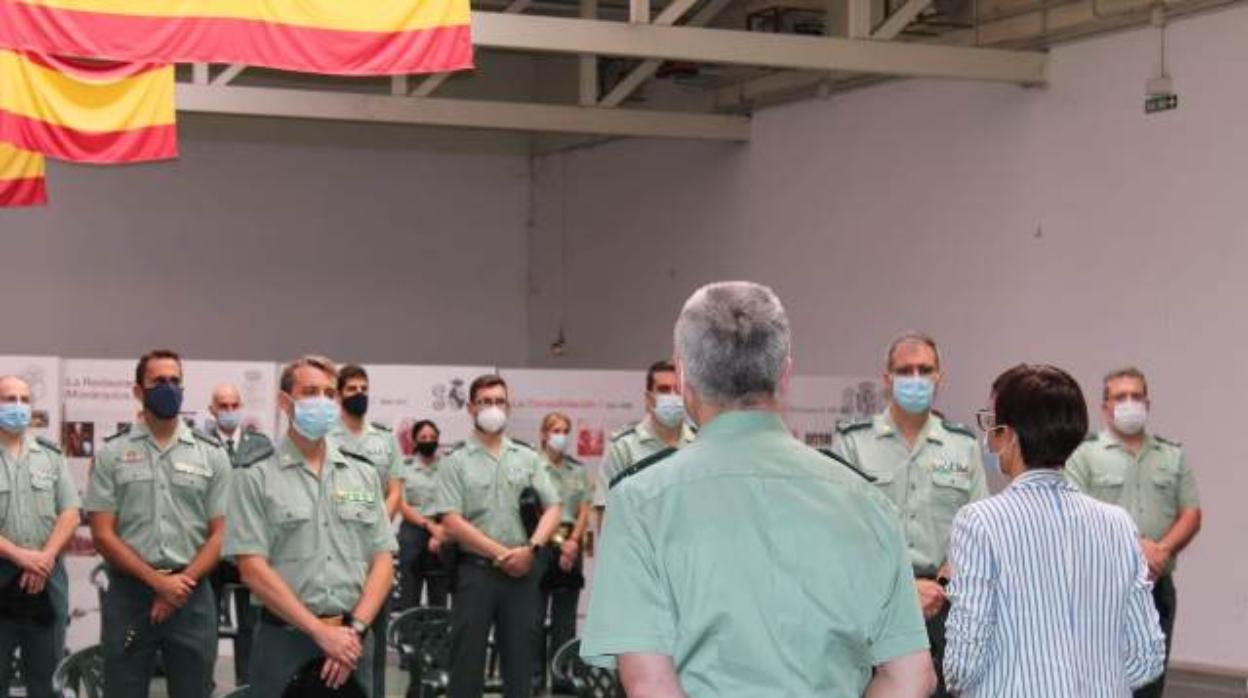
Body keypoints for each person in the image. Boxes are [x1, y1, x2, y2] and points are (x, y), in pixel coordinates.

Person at [581, 281, 934, 698]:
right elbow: (911, 678)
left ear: (682, 374)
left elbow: (648, 684)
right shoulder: (866, 501)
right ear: (785, 372)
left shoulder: (640, 502)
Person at [944, 364, 1166, 696]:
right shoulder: (1117, 524)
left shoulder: (979, 522)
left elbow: (965, 661)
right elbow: (1146, 657)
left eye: (993, 424)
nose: (989, 436)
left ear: (1012, 435)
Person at [226, 355, 396, 697]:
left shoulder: (362, 472)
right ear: (285, 402)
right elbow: (252, 568)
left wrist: (354, 630)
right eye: (310, 392)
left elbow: (383, 559)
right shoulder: (256, 475)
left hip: (352, 644)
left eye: (329, 393)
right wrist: (319, 631)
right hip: (285, 643)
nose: (322, 401)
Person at [830, 331, 987, 697]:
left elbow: (981, 527)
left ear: (939, 377)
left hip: (948, 605)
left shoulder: (962, 444)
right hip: (877, 604)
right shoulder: (853, 442)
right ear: (887, 379)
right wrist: (903, 589)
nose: (915, 378)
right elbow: (840, 535)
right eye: (905, 370)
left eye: (924, 369)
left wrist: (952, 577)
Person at [84, 349, 230, 698]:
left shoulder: (211, 454)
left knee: (194, 691)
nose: (169, 388)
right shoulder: (111, 454)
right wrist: (156, 582)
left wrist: (180, 584)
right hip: (130, 595)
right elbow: (102, 534)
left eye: (175, 381)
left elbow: (222, 534)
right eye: (158, 381)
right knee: (123, 690)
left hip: (191, 596)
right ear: (139, 391)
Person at [1066, 366, 1202, 698]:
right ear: (1104, 407)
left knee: (1149, 686)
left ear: (1148, 403)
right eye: (1120, 397)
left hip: (1156, 588)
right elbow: (1073, 515)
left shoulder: (1172, 455)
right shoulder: (1084, 454)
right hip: (1099, 590)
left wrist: (1161, 551)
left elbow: (1191, 513)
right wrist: (1134, 549)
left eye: (1136, 396)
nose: (1129, 403)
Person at [432, 374, 563, 698]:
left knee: (521, 665)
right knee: (466, 664)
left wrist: (531, 548)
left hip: (522, 572)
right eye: (486, 402)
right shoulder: (455, 461)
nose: (494, 408)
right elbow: (451, 519)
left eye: (500, 401)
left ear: (508, 406)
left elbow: (554, 509)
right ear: (471, 407)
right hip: (475, 574)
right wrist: (499, 554)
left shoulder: (527, 456)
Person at [0, 375, 80, 698]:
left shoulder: (50, 455)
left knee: (47, 683)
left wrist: (43, 558)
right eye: (8, 399)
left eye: (23, 400)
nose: (17, 407)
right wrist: (21, 557)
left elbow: (71, 512)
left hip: (46, 581)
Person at [205, 383, 273, 686]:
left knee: (251, 625)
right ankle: (201, 685)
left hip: (248, 546)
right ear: (212, 409)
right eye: (223, 406)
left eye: (234, 405)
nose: (229, 411)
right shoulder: (199, 445)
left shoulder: (261, 446)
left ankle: (247, 688)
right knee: (204, 624)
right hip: (209, 548)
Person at [531, 412, 590, 693]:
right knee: (534, 615)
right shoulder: (532, 465)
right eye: (555, 429)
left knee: (565, 621)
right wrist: (557, 541)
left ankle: (562, 680)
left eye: (566, 429)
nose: (561, 435)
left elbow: (584, 509)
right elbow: (533, 509)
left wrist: (574, 541)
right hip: (542, 544)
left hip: (571, 545)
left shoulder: (577, 469)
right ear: (543, 433)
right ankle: (533, 679)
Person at [592, 361, 696, 512]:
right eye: (664, 390)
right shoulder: (623, 447)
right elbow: (606, 512)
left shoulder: (699, 443)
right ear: (648, 398)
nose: (673, 396)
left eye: (678, 390)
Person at [329, 364, 403, 517]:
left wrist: (379, 527)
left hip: (376, 530)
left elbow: (395, 493)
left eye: (364, 389)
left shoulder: (386, 439)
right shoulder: (323, 438)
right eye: (352, 389)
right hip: (333, 530)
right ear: (338, 395)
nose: (359, 393)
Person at [396, 419, 449, 610]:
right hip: (413, 532)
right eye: (423, 437)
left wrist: (440, 530)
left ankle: (438, 639)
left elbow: (453, 501)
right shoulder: (404, 466)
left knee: (439, 598)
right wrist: (429, 526)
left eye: (433, 437)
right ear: (415, 440)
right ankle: (408, 639)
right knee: (409, 596)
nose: (428, 441)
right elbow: (402, 504)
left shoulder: (449, 467)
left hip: (442, 532)